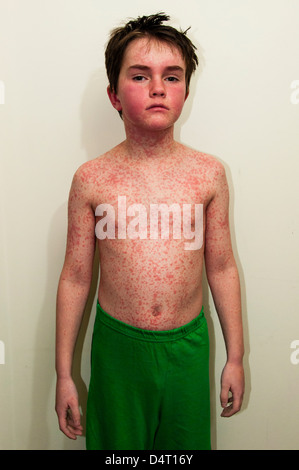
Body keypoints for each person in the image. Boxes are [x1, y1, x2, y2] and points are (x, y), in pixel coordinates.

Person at [55, 12, 244, 450]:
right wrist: (65, 374)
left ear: (186, 91)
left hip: (188, 349)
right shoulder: (93, 178)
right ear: (114, 95)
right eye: (140, 76)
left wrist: (235, 357)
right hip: (118, 351)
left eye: (171, 77)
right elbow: (76, 277)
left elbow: (221, 267)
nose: (158, 87)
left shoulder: (208, 175)